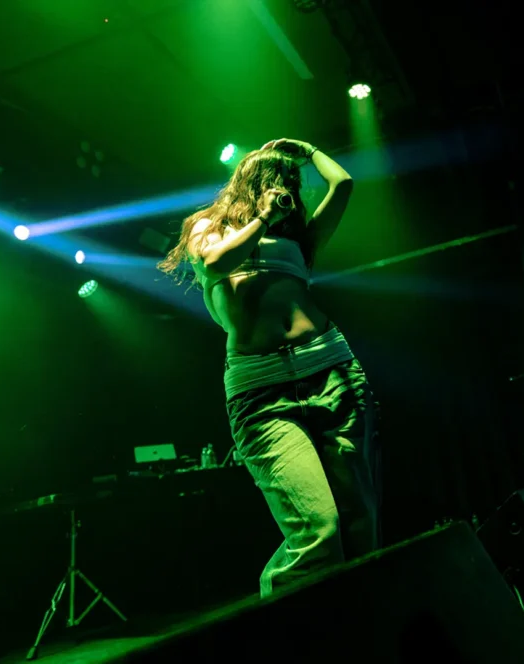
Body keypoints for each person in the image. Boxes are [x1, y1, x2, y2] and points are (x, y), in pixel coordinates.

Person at [158, 138, 380, 597]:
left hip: (331, 370)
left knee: (360, 522)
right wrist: (262, 218)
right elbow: (216, 263)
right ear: (252, 182)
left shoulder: (298, 239)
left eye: (291, 181)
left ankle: (362, 622)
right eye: (277, 179)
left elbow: (343, 184)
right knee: (319, 527)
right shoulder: (208, 227)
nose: (287, 188)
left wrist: (309, 151)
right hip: (261, 392)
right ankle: (279, 620)